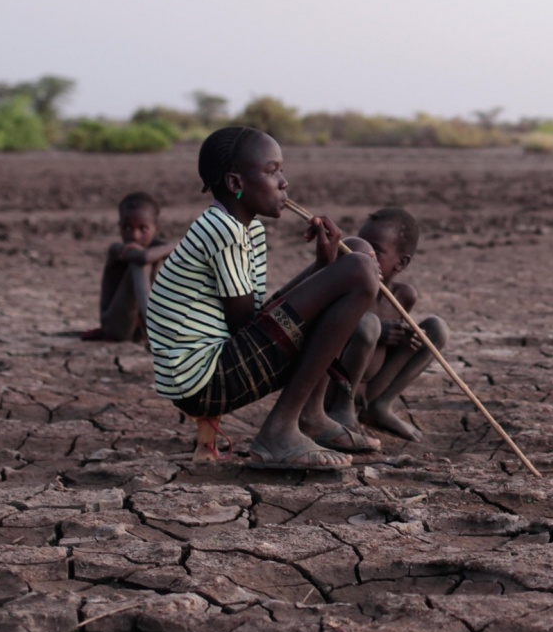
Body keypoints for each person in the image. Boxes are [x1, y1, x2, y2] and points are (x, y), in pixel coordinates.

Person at [147, 126, 380, 469]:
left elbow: (261, 318)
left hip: (222, 363)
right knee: (357, 269)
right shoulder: (222, 230)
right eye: (272, 172)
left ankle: (312, 416)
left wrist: (323, 265)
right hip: (202, 382)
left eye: (281, 170)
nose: (284, 182)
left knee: (354, 253)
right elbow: (249, 326)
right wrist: (327, 273)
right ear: (236, 184)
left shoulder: (246, 227)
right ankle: (279, 431)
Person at [326, 207, 448, 443]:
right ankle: (342, 409)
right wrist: (380, 331)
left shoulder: (403, 296)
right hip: (333, 387)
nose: (364, 255)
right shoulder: (347, 287)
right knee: (369, 325)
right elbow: (328, 332)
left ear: (400, 263)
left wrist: (403, 337)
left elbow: (386, 351)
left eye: (376, 251)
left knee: (435, 329)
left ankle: (380, 406)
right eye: (360, 247)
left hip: (370, 386)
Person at [82, 192, 176, 343]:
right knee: (139, 265)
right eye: (127, 228)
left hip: (141, 329)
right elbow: (143, 257)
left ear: (156, 228)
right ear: (119, 227)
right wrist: (178, 245)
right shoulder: (117, 250)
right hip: (116, 326)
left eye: (143, 229)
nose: (135, 236)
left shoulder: (159, 247)